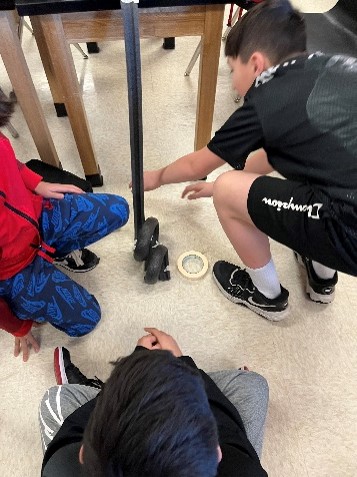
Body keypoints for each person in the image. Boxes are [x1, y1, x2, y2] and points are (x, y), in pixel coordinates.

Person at [142, 0, 357, 322]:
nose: (232, 81)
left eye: (232, 69)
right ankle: (322, 276)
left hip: (349, 229)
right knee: (311, 167)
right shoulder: (335, 65)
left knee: (230, 187)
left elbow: (197, 166)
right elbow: (278, 153)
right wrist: (214, 188)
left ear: (256, 64)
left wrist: (157, 177)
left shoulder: (266, 101)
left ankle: (266, 295)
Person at [0, 91, 129, 361]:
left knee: (119, 209)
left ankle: (52, 253)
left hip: (37, 219)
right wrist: (18, 327)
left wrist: (38, 183)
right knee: (88, 319)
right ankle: (28, 298)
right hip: (12, 274)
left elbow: (11, 162)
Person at [39, 328, 269, 476]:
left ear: (82, 454)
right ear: (218, 453)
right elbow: (230, 429)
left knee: (56, 399)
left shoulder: (59, 469)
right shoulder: (244, 471)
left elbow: (71, 431)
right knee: (251, 385)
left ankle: (98, 391)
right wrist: (184, 364)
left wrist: (131, 375)